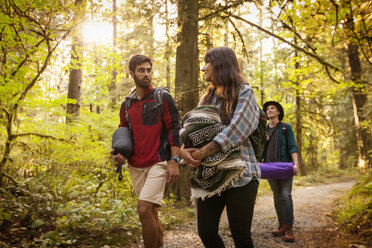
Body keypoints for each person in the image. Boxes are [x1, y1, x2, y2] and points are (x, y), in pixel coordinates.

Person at [180, 47, 260, 248]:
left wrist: (200, 152)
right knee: (206, 231)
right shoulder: (206, 98)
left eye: (207, 62)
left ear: (220, 64)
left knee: (241, 235)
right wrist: (183, 151)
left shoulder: (244, 91)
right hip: (210, 174)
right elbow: (194, 130)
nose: (203, 67)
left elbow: (238, 130)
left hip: (241, 173)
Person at [111, 55, 181, 248]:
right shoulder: (126, 105)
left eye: (149, 70)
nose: (146, 74)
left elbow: (174, 128)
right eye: (141, 70)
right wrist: (121, 154)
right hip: (135, 165)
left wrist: (174, 161)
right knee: (151, 212)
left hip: (158, 161)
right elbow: (124, 132)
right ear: (132, 73)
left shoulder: (162, 97)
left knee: (143, 209)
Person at [262, 101, 299, 242]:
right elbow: (261, 149)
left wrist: (296, 163)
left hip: (284, 168)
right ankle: (281, 225)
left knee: (285, 195)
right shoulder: (264, 130)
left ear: (278, 112)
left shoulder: (285, 128)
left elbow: (292, 146)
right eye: (268, 109)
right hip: (270, 168)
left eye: (272, 108)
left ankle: (288, 227)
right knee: (277, 196)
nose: (270, 110)